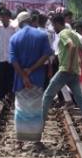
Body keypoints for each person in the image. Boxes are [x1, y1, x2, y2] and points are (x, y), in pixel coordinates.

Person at [42, 14, 82, 133]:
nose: (53, 28)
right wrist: (79, 67)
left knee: (47, 95)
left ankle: (39, 123)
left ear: (57, 24)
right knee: (80, 99)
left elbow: (71, 47)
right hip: (74, 72)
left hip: (65, 70)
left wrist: (70, 65)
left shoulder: (63, 34)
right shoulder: (72, 33)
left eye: (53, 25)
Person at [9, 11, 53, 146]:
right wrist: (32, 69)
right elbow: (47, 54)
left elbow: (13, 60)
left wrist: (24, 75)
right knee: (36, 108)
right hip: (38, 78)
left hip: (20, 80)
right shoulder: (42, 35)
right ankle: (36, 139)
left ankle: (20, 140)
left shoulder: (14, 38)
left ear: (20, 23)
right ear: (31, 21)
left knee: (21, 108)